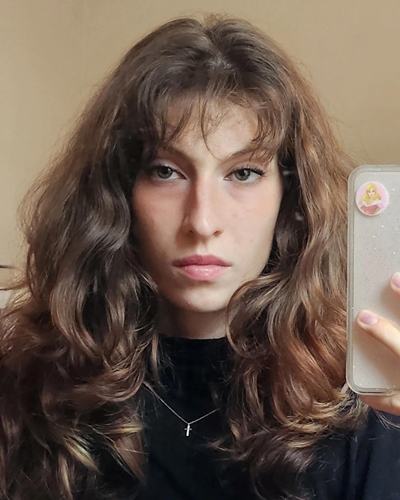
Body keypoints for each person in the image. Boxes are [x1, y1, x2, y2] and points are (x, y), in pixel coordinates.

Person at [1, 14, 400, 500]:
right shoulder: (30, 388)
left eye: (244, 173)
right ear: (119, 192)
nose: (202, 220)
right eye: (166, 171)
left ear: (289, 198)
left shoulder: (366, 404)